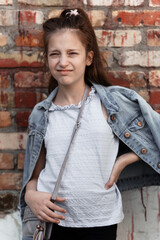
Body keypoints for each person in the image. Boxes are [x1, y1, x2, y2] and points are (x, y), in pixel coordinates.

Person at [20, 7, 160, 240]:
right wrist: (30, 196)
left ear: (88, 57)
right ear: (47, 58)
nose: (63, 62)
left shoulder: (113, 103)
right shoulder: (42, 113)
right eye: (55, 54)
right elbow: (34, 176)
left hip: (101, 221)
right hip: (53, 224)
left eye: (72, 53)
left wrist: (126, 159)